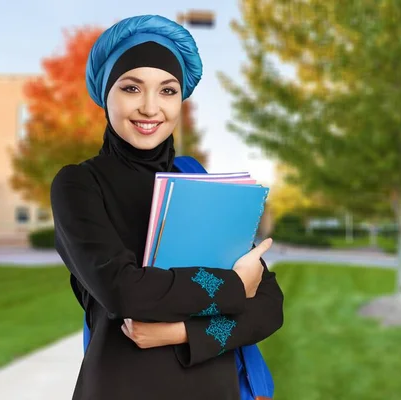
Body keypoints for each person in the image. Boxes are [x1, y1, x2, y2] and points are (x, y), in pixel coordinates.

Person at [50, 14, 284, 400]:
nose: (149, 107)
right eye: (131, 87)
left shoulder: (197, 180)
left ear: (181, 99)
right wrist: (233, 287)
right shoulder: (78, 185)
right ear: (105, 94)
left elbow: (268, 306)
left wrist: (181, 333)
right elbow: (123, 290)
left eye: (167, 91)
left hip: (215, 389)